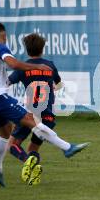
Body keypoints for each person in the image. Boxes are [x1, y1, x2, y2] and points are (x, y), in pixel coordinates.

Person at [0, 23, 89, 187]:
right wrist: (37, 67)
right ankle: (66, 147)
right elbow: (14, 64)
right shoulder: (2, 48)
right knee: (30, 120)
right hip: (9, 101)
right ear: (4, 36)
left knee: (6, 134)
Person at [7, 33, 65, 185]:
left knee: (12, 145)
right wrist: (52, 86)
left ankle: (28, 161)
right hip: (48, 116)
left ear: (26, 50)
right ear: (43, 49)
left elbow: (7, 82)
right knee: (34, 147)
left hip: (30, 116)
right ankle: (34, 172)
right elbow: (59, 84)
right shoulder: (50, 66)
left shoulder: (23, 68)